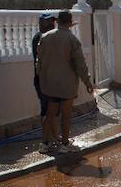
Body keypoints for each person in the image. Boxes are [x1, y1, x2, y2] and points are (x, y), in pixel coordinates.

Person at [36, 9, 94, 153]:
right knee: (66, 114)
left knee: (50, 113)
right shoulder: (72, 40)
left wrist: (42, 78)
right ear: (70, 23)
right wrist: (87, 82)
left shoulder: (45, 37)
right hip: (67, 85)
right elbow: (80, 64)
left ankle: (45, 143)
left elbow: (39, 62)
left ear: (57, 21)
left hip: (49, 84)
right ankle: (64, 143)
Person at [31, 12, 56, 147]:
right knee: (47, 110)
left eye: (52, 22)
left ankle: (52, 137)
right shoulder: (40, 39)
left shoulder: (48, 38)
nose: (52, 24)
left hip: (49, 80)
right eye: (49, 22)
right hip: (43, 80)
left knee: (51, 110)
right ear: (41, 24)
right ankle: (47, 140)